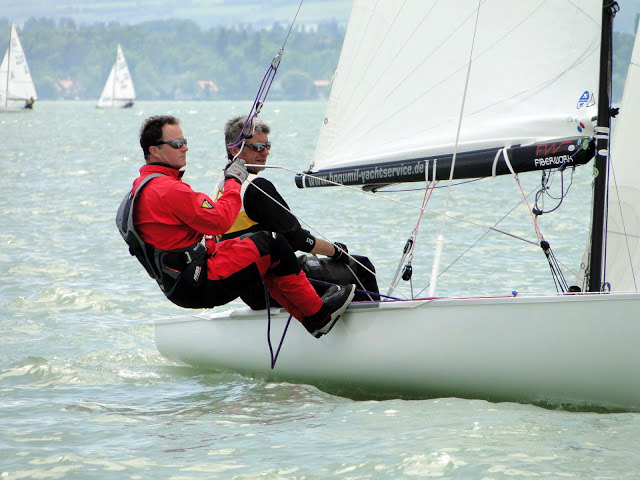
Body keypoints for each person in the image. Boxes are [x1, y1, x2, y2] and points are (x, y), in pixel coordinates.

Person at [116, 115, 355, 338]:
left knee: (264, 248)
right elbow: (219, 220)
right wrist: (234, 181)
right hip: (199, 281)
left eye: (185, 142)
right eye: (177, 143)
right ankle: (318, 316)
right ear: (154, 150)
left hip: (178, 284)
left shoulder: (136, 192)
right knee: (273, 242)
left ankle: (308, 314)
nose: (185, 148)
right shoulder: (167, 189)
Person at [217, 115, 379, 310]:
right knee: (361, 267)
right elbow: (297, 239)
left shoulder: (223, 183)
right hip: (280, 286)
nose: (265, 152)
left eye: (268, 146)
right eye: (258, 147)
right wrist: (337, 251)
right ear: (235, 149)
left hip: (251, 292)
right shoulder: (256, 187)